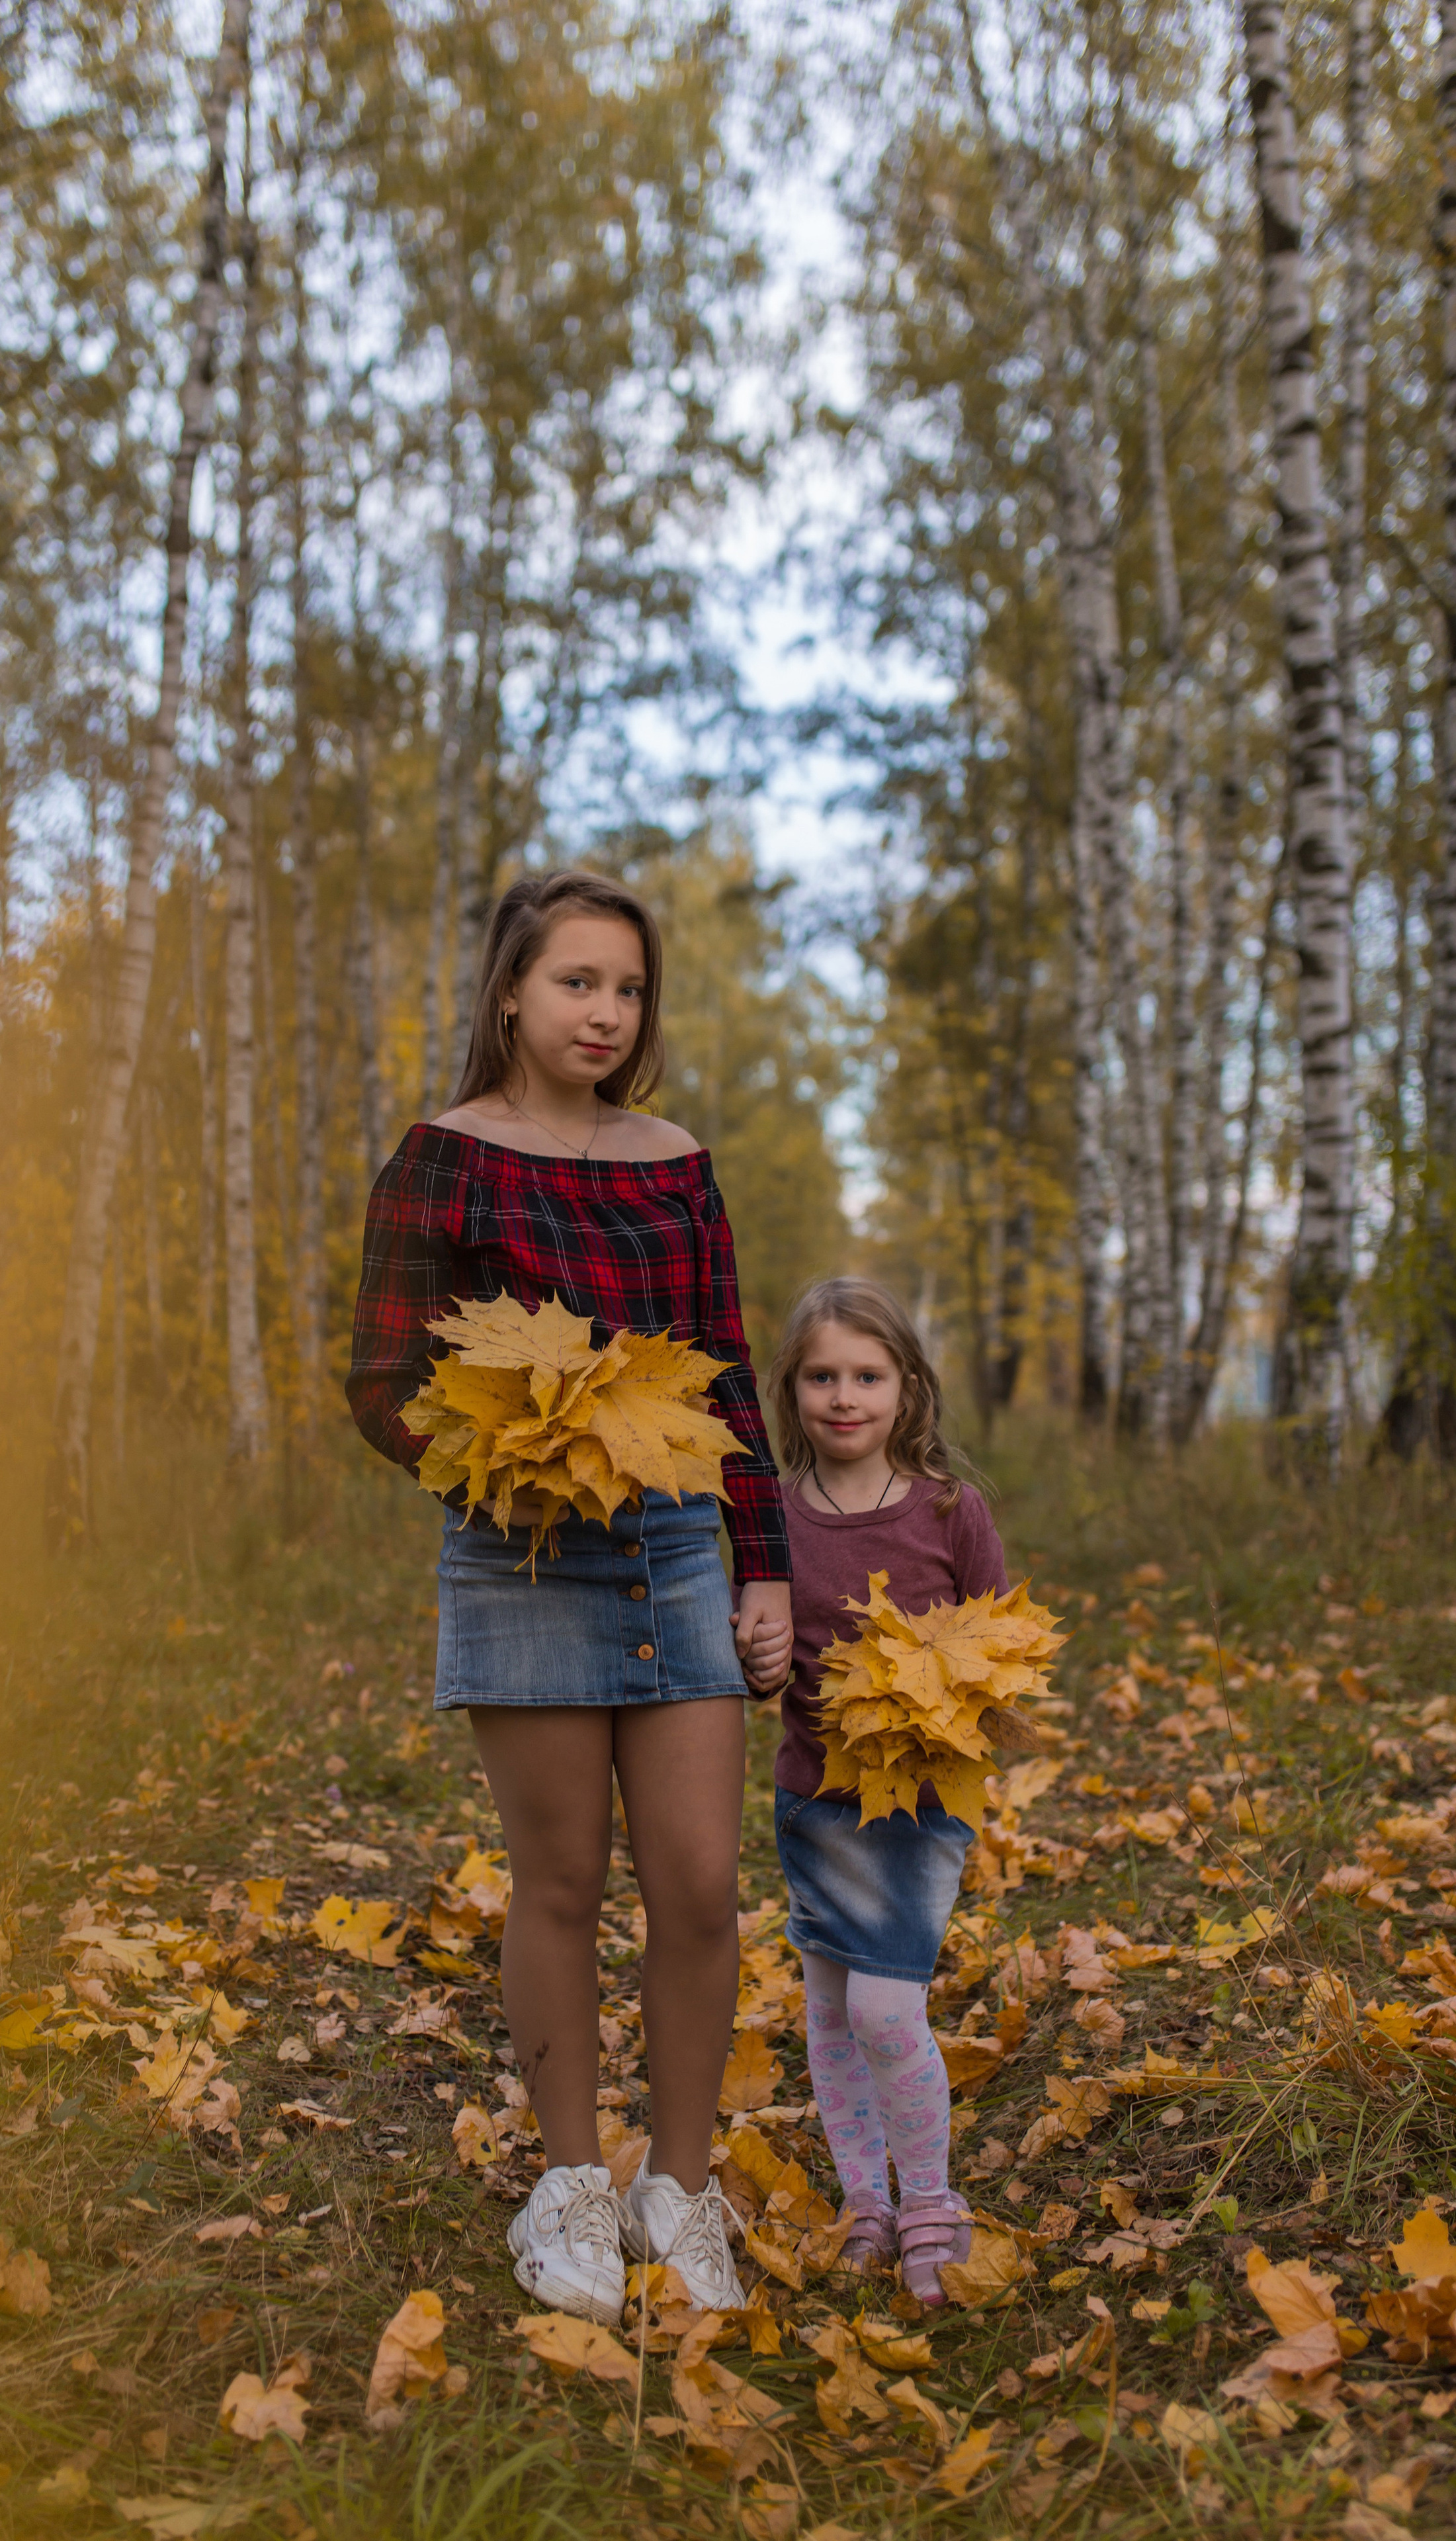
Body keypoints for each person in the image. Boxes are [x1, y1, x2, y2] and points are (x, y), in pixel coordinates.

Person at [347, 869, 793, 2326]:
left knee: (700, 1884)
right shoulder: (442, 1161)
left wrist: (765, 1566)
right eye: (577, 982)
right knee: (557, 1882)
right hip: (521, 1547)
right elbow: (382, 1381)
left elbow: (726, 1380)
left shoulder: (676, 1164)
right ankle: (570, 2187)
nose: (607, 1012)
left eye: (629, 989)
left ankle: (679, 2188)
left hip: (675, 1544)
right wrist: (500, 1467)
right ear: (509, 995)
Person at [738, 1274, 1007, 2306]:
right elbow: (760, 1650)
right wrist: (756, 1660)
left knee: (889, 2012)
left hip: (920, 1808)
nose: (844, 1397)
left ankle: (931, 2199)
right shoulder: (772, 1518)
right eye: (821, 1377)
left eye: (867, 1376)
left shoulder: (949, 1510)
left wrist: (942, 1696)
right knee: (832, 2011)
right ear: (791, 1388)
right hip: (815, 1801)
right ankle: (867, 2205)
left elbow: (998, 1651)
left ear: (908, 1387)